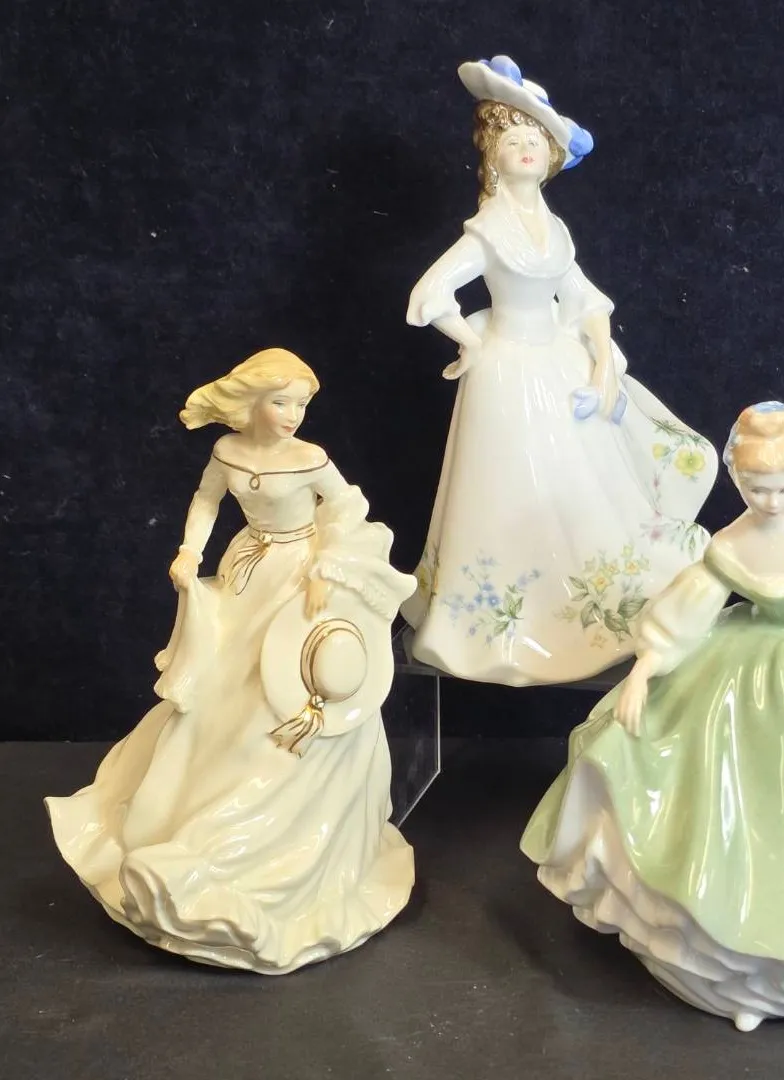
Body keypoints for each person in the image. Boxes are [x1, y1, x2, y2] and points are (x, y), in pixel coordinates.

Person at [522, 402, 784, 1031]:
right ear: (738, 482)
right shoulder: (729, 546)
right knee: (746, 800)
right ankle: (740, 963)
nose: (772, 501)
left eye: (782, 487)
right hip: (753, 682)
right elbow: (685, 613)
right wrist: (644, 671)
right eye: (758, 489)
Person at [46, 349, 415, 972]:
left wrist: (327, 566)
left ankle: (285, 829)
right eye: (281, 402)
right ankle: (177, 815)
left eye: (302, 404)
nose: (293, 415)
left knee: (283, 687)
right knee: (219, 689)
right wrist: (190, 551)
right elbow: (206, 501)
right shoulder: (227, 452)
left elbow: (346, 507)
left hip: (300, 579)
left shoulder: (310, 458)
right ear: (252, 403)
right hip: (246, 570)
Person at [401, 56, 716, 685]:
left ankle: (586, 611)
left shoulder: (553, 226)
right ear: (493, 157)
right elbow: (430, 294)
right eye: (512, 140)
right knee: (508, 490)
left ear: (549, 156)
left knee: (583, 485)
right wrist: (471, 342)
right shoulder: (489, 230)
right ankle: (504, 625)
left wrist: (601, 355)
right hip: (508, 374)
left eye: (535, 140)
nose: (525, 148)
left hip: (558, 362)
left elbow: (583, 296)